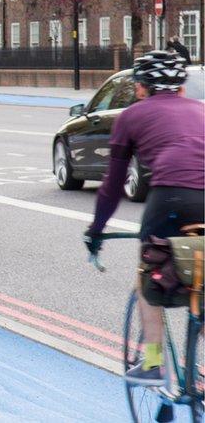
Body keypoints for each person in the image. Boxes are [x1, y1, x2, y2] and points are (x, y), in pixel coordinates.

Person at [85, 50, 204, 386]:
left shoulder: (131, 116)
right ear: (182, 87)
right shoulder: (202, 111)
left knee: (148, 278)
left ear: (140, 88)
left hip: (171, 197)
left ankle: (153, 364)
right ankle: (197, 358)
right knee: (203, 281)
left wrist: (96, 231)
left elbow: (112, 185)